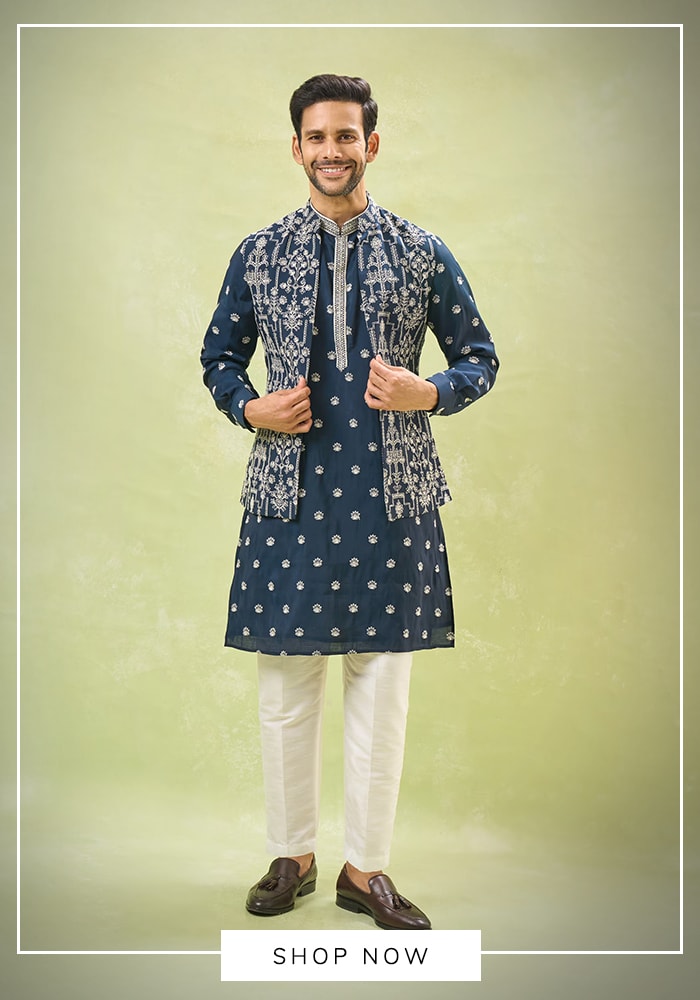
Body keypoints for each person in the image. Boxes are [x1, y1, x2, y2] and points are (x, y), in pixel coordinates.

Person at [200, 74, 498, 931]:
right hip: (287, 497)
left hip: (391, 496)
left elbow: (479, 356)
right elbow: (219, 358)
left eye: (345, 136)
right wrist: (249, 408)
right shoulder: (260, 252)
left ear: (371, 144)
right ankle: (291, 856)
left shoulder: (421, 250)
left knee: (382, 691)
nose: (331, 151)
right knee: (285, 690)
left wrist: (428, 393)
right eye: (316, 137)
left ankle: (366, 871)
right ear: (296, 147)